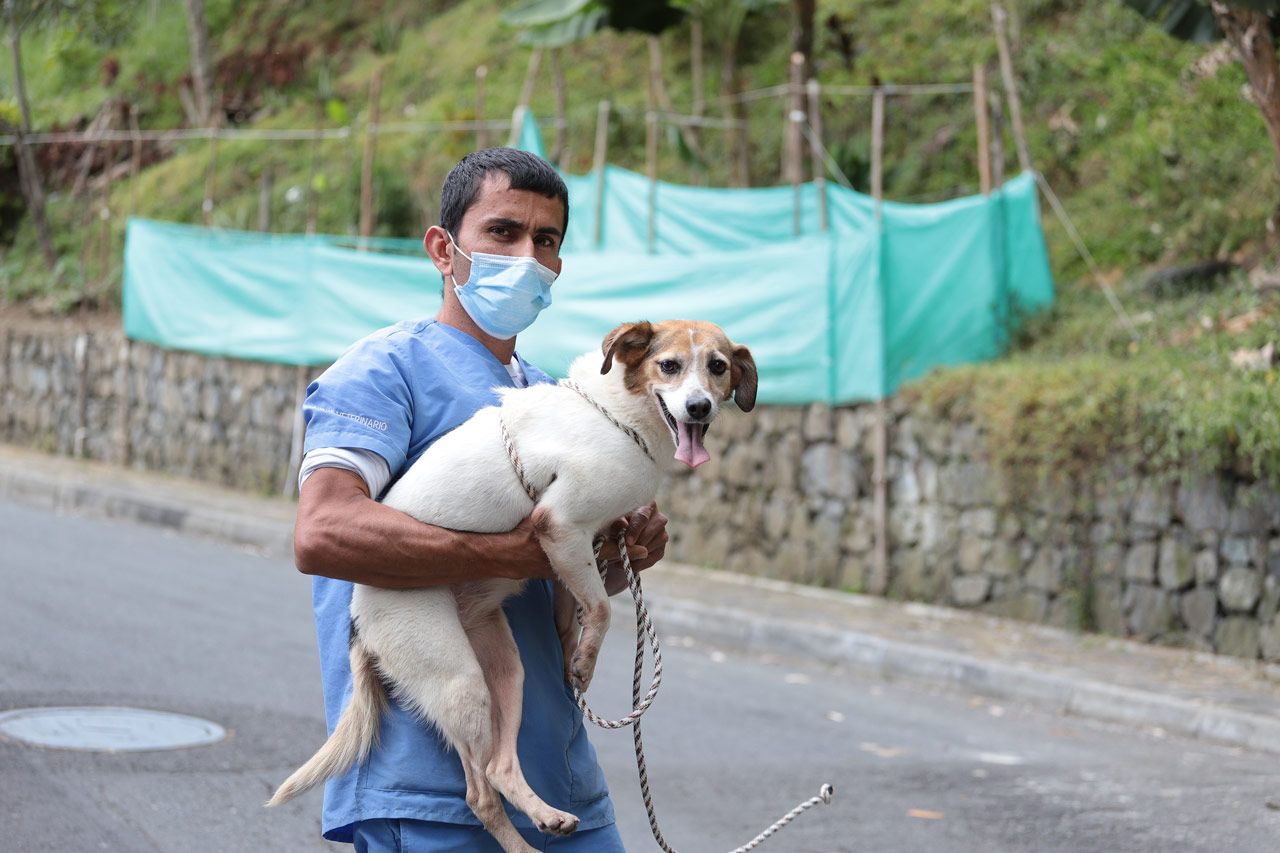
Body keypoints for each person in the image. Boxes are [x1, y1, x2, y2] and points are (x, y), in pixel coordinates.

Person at [293, 147, 669, 852]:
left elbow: (548, 569)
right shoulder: (384, 370)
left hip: (566, 789)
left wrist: (621, 554)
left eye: (546, 240)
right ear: (443, 248)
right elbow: (323, 532)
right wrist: (512, 553)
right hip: (437, 798)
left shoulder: (555, 394)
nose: (527, 256)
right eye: (503, 232)